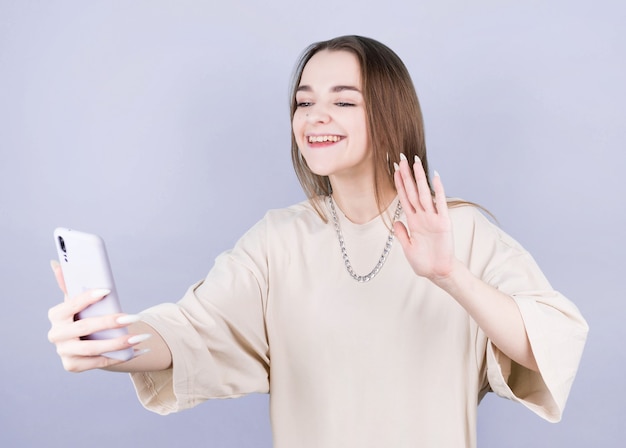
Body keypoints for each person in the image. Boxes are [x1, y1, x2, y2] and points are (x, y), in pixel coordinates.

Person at [47, 35, 589, 447]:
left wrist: (450, 274)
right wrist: (104, 342)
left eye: (344, 101)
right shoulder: (277, 241)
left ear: (389, 113)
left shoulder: (459, 231)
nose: (315, 117)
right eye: (304, 102)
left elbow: (549, 342)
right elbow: (192, 332)